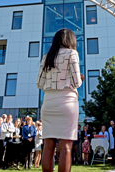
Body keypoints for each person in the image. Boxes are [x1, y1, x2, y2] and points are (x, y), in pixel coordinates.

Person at [37, 28, 84, 172]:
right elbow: (76, 82)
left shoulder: (46, 56)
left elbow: (39, 83)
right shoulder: (72, 53)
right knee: (66, 147)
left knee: (48, 146)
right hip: (67, 102)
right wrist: (80, 78)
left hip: (49, 103)